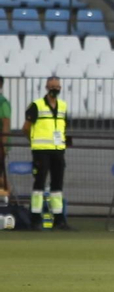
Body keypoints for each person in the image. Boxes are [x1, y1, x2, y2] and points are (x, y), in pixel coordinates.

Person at [22, 76, 68, 231]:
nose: (55, 89)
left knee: (57, 185)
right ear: (47, 88)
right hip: (41, 151)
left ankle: (59, 219)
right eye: (52, 86)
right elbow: (26, 128)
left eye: (57, 86)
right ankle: (35, 219)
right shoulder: (37, 105)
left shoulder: (63, 106)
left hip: (57, 151)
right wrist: (33, 141)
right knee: (39, 184)